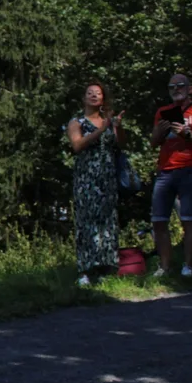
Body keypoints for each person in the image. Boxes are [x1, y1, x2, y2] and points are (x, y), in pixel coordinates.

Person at [149, 73, 192, 277]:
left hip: (189, 168)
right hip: (165, 170)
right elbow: (153, 142)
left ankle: (188, 267)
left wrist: (188, 134)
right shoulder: (163, 111)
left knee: (189, 219)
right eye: (172, 87)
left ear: (190, 89)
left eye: (181, 85)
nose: (176, 89)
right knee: (158, 220)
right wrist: (161, 131)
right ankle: (165, 267)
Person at [67, 82, 125, 286]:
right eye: (89, 93)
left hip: (107, 177)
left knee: (107, 221)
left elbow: (119, 146)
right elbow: (77, 145)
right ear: (84, 98)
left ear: (103, 99)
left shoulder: (108, 120)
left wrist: (116, 127)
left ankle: (105, 267)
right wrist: (102, 130)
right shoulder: (77, 121)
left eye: (97, 93)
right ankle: (85, 269)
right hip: (87, 178)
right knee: (87, 221)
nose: (93, 96)